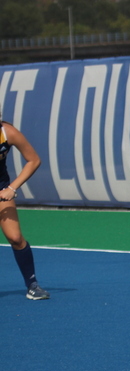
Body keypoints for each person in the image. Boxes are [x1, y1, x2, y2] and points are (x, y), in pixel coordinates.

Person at [0, 110, 49, 300]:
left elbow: (34, 160)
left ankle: (32, 285)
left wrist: (12, 188)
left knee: (15, 238)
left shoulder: (7, 132)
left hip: (1, 189)